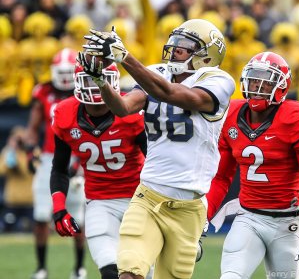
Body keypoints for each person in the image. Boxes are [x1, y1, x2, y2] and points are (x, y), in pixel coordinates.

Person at [78, 18, 235, 279]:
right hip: (148, 196)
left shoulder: (218, 81)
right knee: (129, 272)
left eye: (185, 45)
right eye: (175, 42)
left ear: (207, 55)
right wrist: (100, 82)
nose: (175, 48)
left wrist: (125, 57)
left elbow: (172, 94)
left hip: (190, 206)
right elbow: (123, 107)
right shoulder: (157, 73)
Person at [206, 52, 299, 279]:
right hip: (248, 217)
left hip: (287, 223)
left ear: (281, 87)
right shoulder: (231, 114)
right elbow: (221, 178)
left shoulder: (294, 119)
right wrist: (203, 217)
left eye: (265, 83)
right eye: (254, 80)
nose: (257, 87)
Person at [50, 61, 149, 279]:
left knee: (143, 272)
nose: (96, 87)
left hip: (140, 199)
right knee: (110, 269)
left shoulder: (132, 111)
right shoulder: (65, 114)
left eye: (100, 80)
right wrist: (59, 209)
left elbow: (155, 161)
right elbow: (59, 168)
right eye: (90, 80)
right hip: (100, 201)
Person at [25, 48, 87, 279]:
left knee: (77, 216)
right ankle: (41, 267)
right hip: (51, 158)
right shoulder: (43, 92)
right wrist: (31, 152)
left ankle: (79, 268)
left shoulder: (84, 92)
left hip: (77, 155)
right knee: (41, 216)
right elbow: (32, 128)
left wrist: (80, 160)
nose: (63, 77)